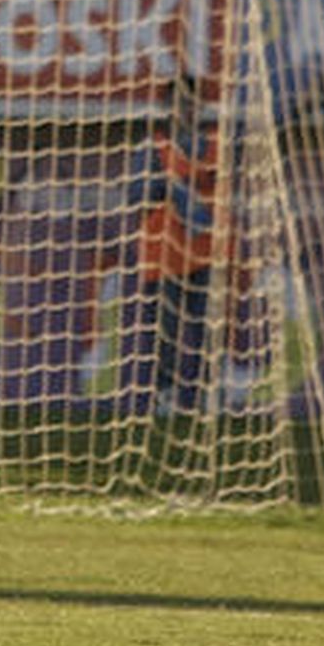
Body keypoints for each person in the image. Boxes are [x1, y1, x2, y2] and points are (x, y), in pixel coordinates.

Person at [133, 70, 222, 418]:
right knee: (166, 334)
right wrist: (166, 188)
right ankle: (164, 396)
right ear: (165, 106)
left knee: (204, 331)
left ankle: (200, 397)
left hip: (206, 252)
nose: (182, 109)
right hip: (164, 256)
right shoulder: (154, 148)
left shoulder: (217, 144)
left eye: (189, 102)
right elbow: (133, 197)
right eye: (175, 102)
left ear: (199, 106)